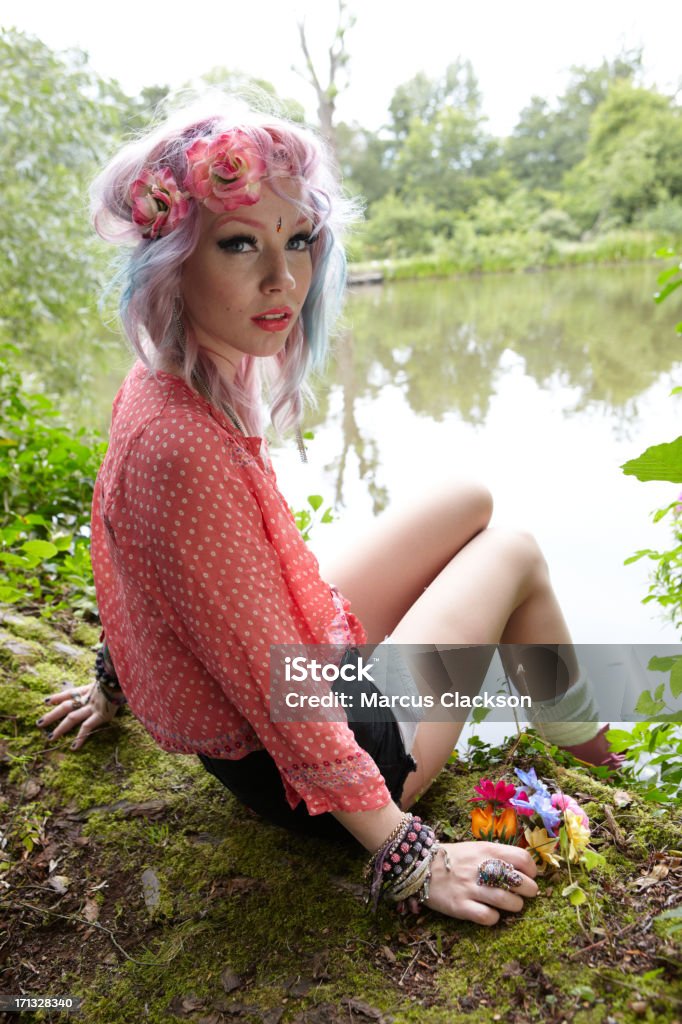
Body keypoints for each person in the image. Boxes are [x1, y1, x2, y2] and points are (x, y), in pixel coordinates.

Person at [35, 97, 620, 924]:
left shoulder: (181, 369)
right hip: (322, 765)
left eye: (298, 240)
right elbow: (283, 697)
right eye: (242, 244)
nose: (285, 280)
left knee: (471, 498)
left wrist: (114, 677)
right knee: (514, 549)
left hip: (293, 672)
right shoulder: (178, 445)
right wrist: (413, 856)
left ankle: (567, 732)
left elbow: (156, 566)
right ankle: (602, 766)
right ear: (170, 259)